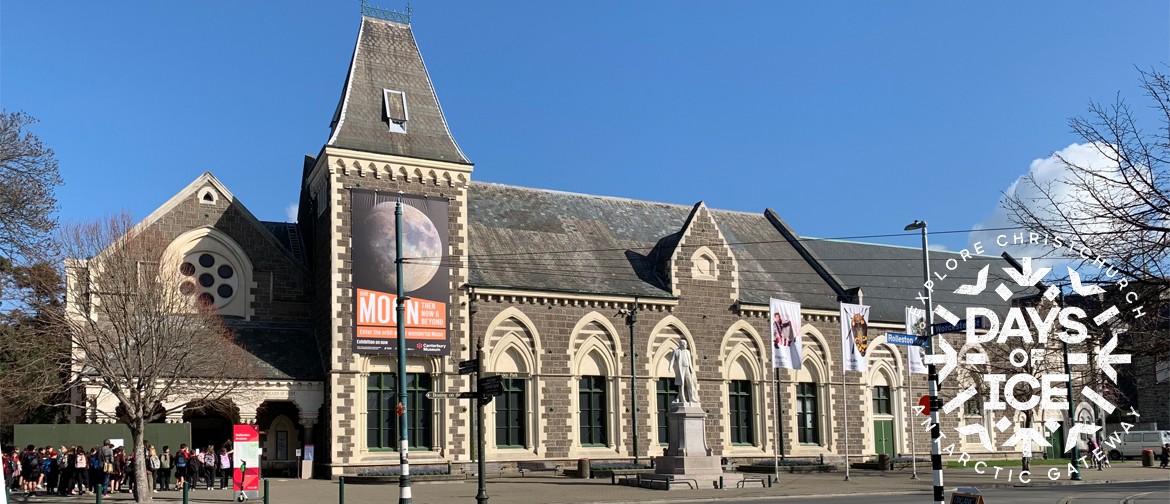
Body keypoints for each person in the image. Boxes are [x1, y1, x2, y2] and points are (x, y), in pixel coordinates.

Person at [667, 339, 700, 404]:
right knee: (681, 384)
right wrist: (670, 367)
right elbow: (672, 360)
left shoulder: (687, 351)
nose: (686, 345)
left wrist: (692, 370)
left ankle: (691, 398)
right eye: (685, 344)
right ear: (681, 344)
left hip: (687, 368)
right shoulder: (676, 351)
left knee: (690, 383)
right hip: (680, 369)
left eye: (686, 344)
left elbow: (689, 361)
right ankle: (683, 398)